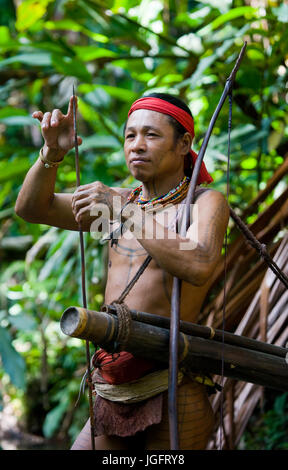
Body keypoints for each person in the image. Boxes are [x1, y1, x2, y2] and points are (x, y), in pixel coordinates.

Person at [15, 92, 229, 450]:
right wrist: (51, 156)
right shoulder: (114, 202)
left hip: (173, 381)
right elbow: (34, 209)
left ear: (184, 144)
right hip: (113, 384)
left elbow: (198, 264)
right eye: (130, 135)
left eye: (152, 135)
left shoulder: (204, 203)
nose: (137, 145)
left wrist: (125, 210)